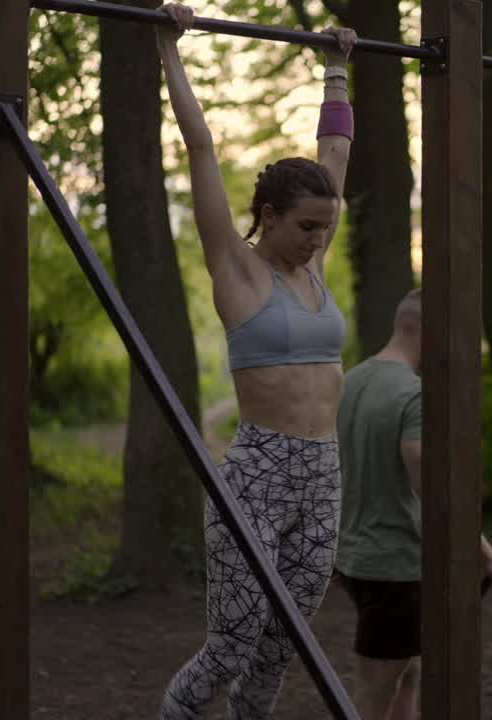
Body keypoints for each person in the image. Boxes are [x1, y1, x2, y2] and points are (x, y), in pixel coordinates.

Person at [153, 5, 358, 719]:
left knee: (283, 645)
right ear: (267, 215)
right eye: (305, 226)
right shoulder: (238, 272)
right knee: (232, 644)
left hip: (324, 472)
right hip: (260, 472)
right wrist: (168, 50)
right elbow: (202, 149)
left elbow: (333, 155)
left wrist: (335, 66)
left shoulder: (314, 265)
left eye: (323, 228)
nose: (315, 240)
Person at [335, 288, 492, 720]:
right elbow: (433, 492)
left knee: (409, 672)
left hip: (360, 561)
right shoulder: (415, 395)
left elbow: (335, 474)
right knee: (374, 692)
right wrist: (488, 557)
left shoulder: (351, 382)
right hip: (395, 567)